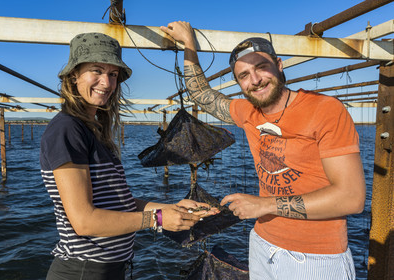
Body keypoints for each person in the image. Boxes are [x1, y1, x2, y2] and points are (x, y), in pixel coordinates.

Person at [161, 22, 366, 280]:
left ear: (279, 66)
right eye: (243, 75)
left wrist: (264, 205)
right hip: (262, 243)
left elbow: (351, 198)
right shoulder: (248, 113)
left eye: (261, 67)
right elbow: (202, 94)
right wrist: (189, 44)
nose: (255, 80)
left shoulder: (325, 110)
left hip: (315, 258)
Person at [40, 32, 218, 280]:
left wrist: (172, 208)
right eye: (97, 71)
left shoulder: (92, 130)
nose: (106, 82)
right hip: (83, 271)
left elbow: (118, 204)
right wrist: (157, 219)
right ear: (73, 75)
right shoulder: (66, 128)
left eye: (113, 74)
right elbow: (84, 222)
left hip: (109, 269)